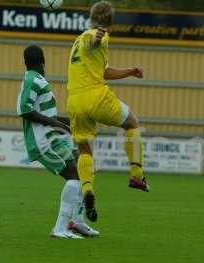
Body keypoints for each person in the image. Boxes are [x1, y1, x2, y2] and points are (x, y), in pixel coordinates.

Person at [67, 0, 150, 223]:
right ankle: (137, 175)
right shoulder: (95, 35)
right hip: (96, 97)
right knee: (132, 122)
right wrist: (97, 37)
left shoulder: (77, 40)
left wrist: (130, 71)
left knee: (84, 149)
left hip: (74, 101)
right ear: (111, 21)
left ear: (91, 15)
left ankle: (87, 190)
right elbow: (93, 43)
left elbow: (102, 70)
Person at [17, 45, 100, 239]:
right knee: (73, 174)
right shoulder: (31, 80)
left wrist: (70, 123)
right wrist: (58, 124)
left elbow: (48, 114)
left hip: (52, 138)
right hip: (42, 141)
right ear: (43, 61)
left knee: (82, 167)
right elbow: (25, 110)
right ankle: (60, 228)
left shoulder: (37, 80)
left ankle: (77, 222)